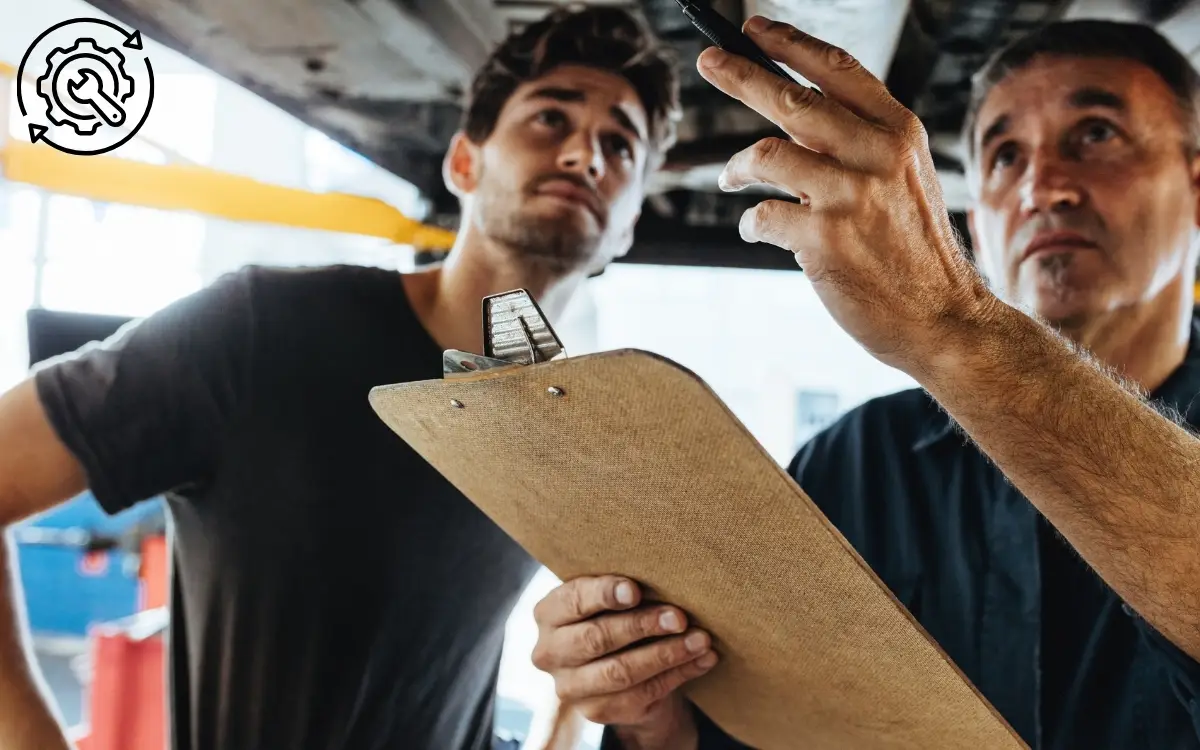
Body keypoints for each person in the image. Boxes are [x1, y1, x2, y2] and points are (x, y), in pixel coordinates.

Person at [0, 7, 680, 750]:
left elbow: (595, 653)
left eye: (621, 145)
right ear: (463, 163)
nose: (587, 155)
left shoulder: (570, 427)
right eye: (551, 119)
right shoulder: (261, 328)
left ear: (626, 230)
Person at [530, 16, 1200, 750]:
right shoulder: (854, 463)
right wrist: (655, 713)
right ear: (974, 226)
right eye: (1005, 156)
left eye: (1095, 135)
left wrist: (951, 323)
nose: (1043, 186)